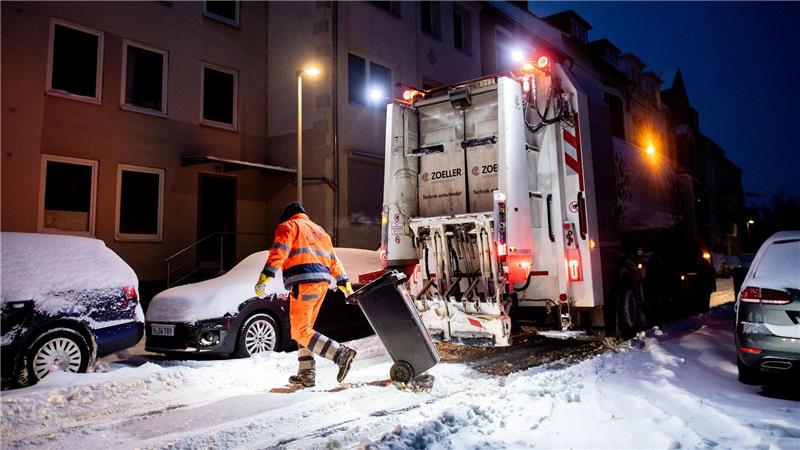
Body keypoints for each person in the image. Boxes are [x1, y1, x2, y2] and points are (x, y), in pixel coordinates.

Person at [254, 202, 356, 388]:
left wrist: (265, 276)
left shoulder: (288, 226)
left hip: (304, 282)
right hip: (322, 285)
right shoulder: (320, 232)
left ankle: (340, 354)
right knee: (305, 329)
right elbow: (334, 261)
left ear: (287, 216)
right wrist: (344, 284)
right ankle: (307, 373)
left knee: (300, 331)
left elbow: (279, 252)